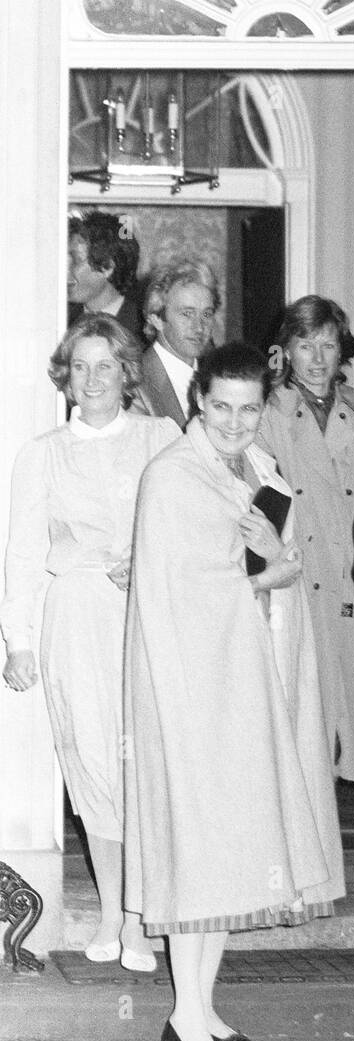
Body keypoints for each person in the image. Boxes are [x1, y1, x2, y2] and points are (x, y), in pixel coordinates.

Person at [124, 341, 345, 1041]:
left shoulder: (259, 470)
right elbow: (177, 594)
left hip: (246, 688)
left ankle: (205, 1005)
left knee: (233, 849)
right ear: (199, 403)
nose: (235, 420)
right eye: (220, 405)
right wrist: (270, 569)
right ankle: (182, 1015)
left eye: (249, 408)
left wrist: (275, 563)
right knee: (200, 851)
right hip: (193, 694)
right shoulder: (172, 478)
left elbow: (264, 565)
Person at [0, 315, 179, 970]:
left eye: (106, 365)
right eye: (81, 366)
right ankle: (111, 911)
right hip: (74, 619)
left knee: (143, 764)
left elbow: (191, 516)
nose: (94, 379)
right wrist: (19, 641)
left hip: (148, 617)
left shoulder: (162, 436)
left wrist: (153, 558)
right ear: (65, 375)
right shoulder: (42, 453)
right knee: (94, 766)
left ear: (127, 372)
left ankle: (140, 917)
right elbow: (23, 555)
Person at [257, 296, 354, 785]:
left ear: (342, 351)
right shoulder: (268, 409)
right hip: (300, 573)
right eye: (304, 344)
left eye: (327, 345)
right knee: (301, 705)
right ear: (286, 350)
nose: (316, 358)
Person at [132, 258, 220, 428]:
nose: (199, 327)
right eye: (187, 314)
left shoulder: (218, 377)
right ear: (156, 318)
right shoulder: (135, 384)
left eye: (206, 314)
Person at [67, 211, 144, 339]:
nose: (64, 270)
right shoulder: (60, 320)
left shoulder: (143, 329)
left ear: (106, 267)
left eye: (75, 260)